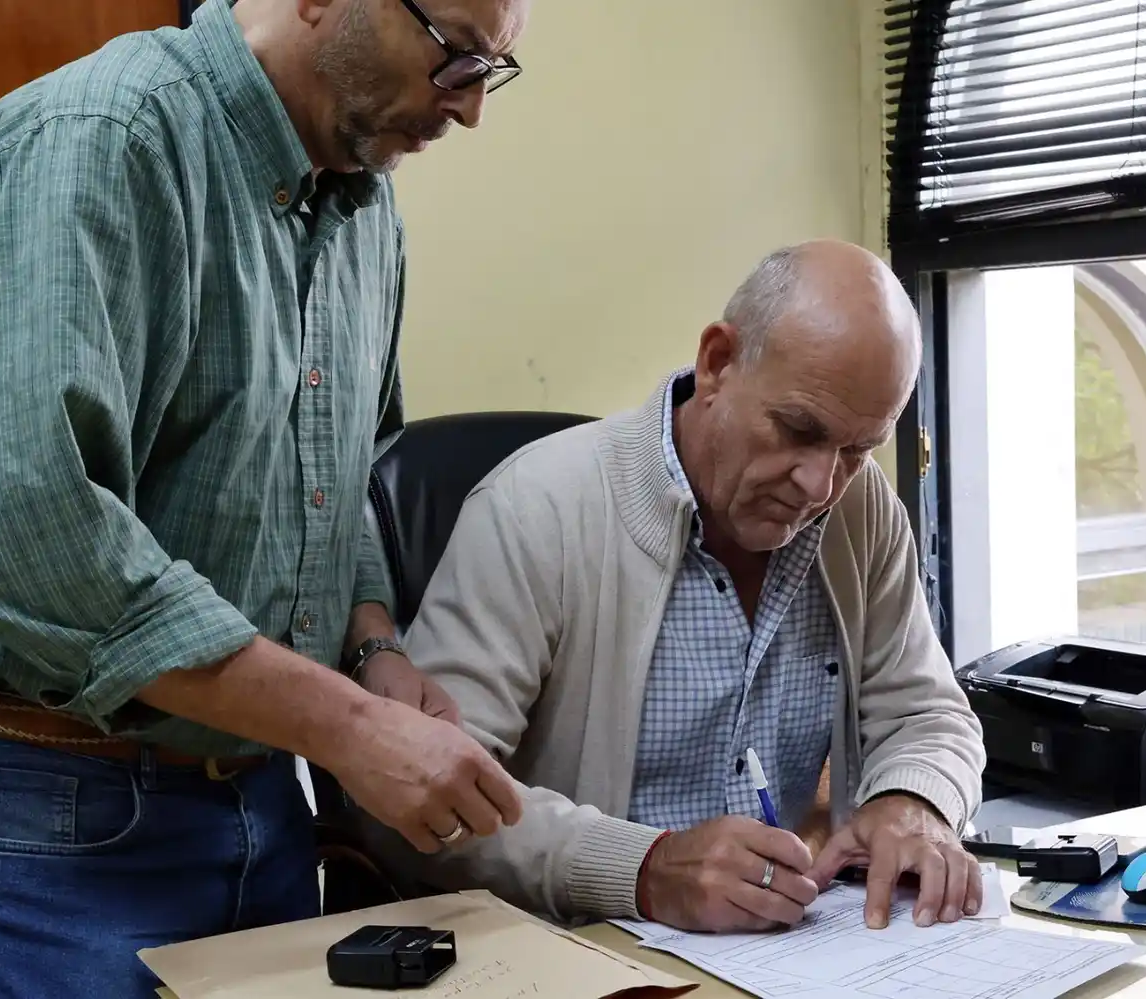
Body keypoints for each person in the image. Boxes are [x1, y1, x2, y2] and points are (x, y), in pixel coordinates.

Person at [0, 0, 531, 994]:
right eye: (455, 57)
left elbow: (342, 477)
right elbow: (31, 531)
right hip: (48, 826)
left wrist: (376, 648)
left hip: (263, 804)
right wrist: (345, 726)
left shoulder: (364, 207)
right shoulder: (100, 141)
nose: (469, 110)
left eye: (491, 69)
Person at [361, 239, 988, 934]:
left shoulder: (858, 506)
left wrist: (913, 802)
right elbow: (423, 802)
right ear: (718, 362)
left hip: (782, 956)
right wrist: (643, 869)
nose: (820, 484)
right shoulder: (535, 509)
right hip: (575, 955)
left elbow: (930, 715)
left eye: (856, 448)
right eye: (798, 431)